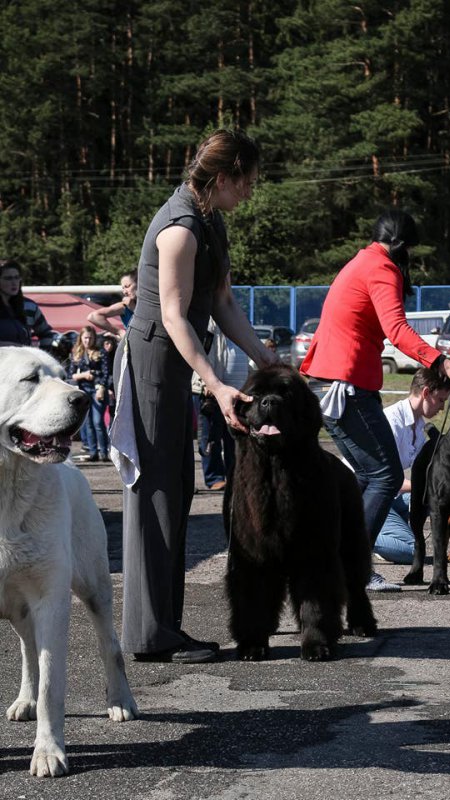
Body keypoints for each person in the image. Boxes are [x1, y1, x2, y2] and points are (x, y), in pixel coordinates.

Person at [112, 128, 278, 665]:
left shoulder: (211, 219)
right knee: (156, 494)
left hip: (174, 362)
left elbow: (223, 302)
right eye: (246, 183)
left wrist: (265, 358)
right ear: (224, 178)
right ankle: (150, 635)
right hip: (153, 365)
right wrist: (215, 383)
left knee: (177, 491)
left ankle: (163, 628)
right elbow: (172, 316)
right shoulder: (180, 228)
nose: (249, 193)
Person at [300, 209, 450, 592]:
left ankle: (334, 557)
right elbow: (396, 330)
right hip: (345, 383)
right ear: (404, 246)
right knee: (387, 475)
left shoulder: (360, 262)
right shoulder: (382, 268)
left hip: (327, 380)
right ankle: (353, 566)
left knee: (365, 476)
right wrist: (442, 362)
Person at [373, 367, 450, 564]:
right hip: (365, 497)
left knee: (428, 498)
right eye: (441, 400)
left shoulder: (418, 424)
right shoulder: (392, 422)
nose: (442, 408)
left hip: (387, 497)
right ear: (426, 393)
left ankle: (387, 541)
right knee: (413, 551)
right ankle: (350, 534)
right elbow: (384, 481)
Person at [193, 320, 250, 491]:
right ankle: (214, 477)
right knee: (211, 437)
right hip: (212, 391)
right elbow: (203, 353)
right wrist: (207, 383)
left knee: (235, 438)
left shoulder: (236, 319)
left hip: (238, 389)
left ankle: (235, 476)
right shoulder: (209, 323)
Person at [67, 325, 109, 462]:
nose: (88, 340)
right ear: (81, 338)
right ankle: (92, 452)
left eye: (90, 338)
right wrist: (84, 375)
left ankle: (103, 452)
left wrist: (102, 387)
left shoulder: (101, 352)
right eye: (85, 338)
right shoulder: (76, 353)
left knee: (98, 421)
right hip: (83, 389)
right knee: (88, 422)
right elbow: (70, 375)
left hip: (98, 389)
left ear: (94, 338)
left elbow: (106, 373)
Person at [0, 259, 58, 348]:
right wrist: (12, 347)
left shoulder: (29, 306)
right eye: (8, 278)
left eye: (17, 277)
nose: (14, 282)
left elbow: (46, 334)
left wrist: (42, 355)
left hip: (25, 360)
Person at [87, 269, 137, 338]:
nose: (124, 292)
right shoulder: (124, 306)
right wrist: (119, 331)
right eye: (123, 288)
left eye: (127, 286)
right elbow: (93, 316)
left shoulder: (153, 303)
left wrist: (134, 308)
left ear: (139, 284)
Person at [101, 332, 118, 427]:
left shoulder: (114, 354)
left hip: (113, 387)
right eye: (107, 343)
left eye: (111, 343)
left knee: (113, 411)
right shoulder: (100, 355)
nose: (109, 346)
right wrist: (107, 389)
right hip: (102, 387)